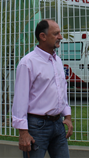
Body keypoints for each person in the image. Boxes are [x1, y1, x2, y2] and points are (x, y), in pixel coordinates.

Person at [12, 19, 74, 158]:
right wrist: (23, 133)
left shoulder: (57, 60)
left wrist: (67, 117)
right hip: (37, 127)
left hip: (58, 125)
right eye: (56, 33)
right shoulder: (27, 63)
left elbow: (62, 91)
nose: (60, 37)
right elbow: (20, 100)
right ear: (43, 36)